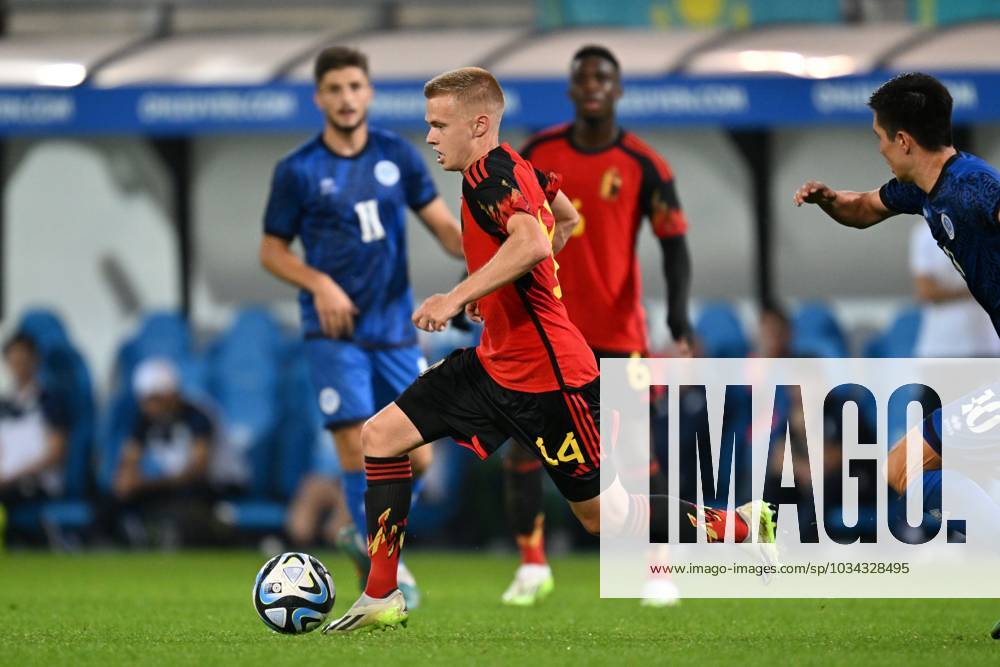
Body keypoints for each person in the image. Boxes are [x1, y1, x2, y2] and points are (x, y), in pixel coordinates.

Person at [323, 67, 774, 634]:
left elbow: (534, 240)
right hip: (492, 365)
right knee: (380, 437)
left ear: (480, 123)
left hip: (551, 380)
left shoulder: (492, 174)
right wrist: (510, 277)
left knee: (602, 518)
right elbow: (564, 219)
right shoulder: (517, 169)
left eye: (440, 125)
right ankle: (382, 593)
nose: (431, 137)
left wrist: (458, 294)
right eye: (429, 126)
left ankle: (739, 527)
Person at [792, 72, 1000, 635]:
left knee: (908, 467)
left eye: (881, 138)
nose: (879, 148)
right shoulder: (924, 190)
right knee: (905, 468)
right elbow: (863, 208)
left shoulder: (976, 186)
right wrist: (830, 200)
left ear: (904, 139)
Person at [259, 46, 464, 607]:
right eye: (335, 89)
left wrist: (491, 257)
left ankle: (367, 536)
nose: (346, 98)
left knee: (419, 454)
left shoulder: (397, 154)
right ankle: (383, 571)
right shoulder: (297, 170)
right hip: (335, 333)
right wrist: (319, 283)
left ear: (368, 92)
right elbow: (271, 251)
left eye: (355, 87)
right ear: (319, 97)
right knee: (355, 447)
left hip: (396, 327)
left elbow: (444, 227)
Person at [499, 44, 693, 607]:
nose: (593, 86)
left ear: (618, 89)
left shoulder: (644, 165)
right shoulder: (537, 154)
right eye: (583, 78)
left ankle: (659, 568)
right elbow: (503, 228)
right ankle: (532, 565)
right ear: (570, 88)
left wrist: (678, 315)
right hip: (545, 330)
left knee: (635, 450)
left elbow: (674, 244)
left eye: (603, 78)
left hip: (617, 333)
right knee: (522, 446)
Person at [110, 358, 215, 547]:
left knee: (186, 504)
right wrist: (126, 480)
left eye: (153, 400)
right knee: (110, 502)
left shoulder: (198, 418)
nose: (147, 406)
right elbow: (129, 458)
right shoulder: (145, 420)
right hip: (169, 487)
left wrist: (144, 484)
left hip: (210, 489)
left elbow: (197, 471)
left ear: (171, 395)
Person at [0, 333, 69, 526]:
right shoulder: (4, 404)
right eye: (14, 360)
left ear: (35, 360)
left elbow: (55, 453)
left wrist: (13, 476)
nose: (19, 365)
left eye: (24, 359)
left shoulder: (50, 402)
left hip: (37, 482)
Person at [909, 222, 1000, 357]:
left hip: (987, 344)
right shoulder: (925, 233)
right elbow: (926, 292)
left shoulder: (990, 226)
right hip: (943, 345)